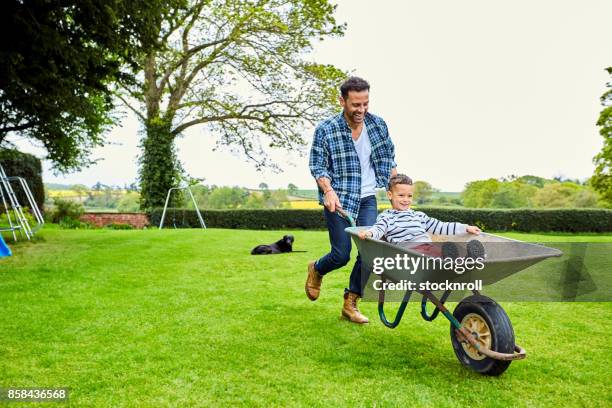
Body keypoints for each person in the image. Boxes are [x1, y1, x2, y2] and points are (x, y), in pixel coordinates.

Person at [306, 76, 397, 324]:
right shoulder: (326, 129)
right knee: (341, 254)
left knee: (369, 252)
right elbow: (317, 166)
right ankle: (317, 268)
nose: (361, 110)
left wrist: (398, 191)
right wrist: (328, 191)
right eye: (356, 104)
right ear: (342, 101)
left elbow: (389, 160)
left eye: (365, 103)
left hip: (367, 197)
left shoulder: (378, 125)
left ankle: (351, 301)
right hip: (340, 198)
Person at [358, 174, 481, 245]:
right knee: (434, 255)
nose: (406, 199)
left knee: (437, 252)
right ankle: (454, 260)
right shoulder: (387, 217)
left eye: (409, 196)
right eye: (401, 195)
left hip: (427, 248)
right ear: (390, 195)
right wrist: (369, 233)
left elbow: (441, 226)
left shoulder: (419, 216)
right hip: (408, 252)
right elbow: (378, 229)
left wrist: (465, 227)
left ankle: (461, 260)